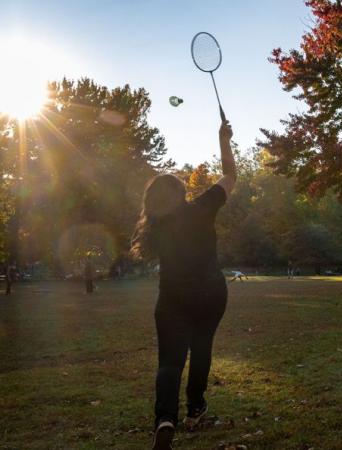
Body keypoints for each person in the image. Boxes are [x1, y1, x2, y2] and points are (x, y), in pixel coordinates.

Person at [130, 119, 237, 450]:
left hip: (173, 298)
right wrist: (223, 140)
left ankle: (165, 418)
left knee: (170, 362)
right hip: (210, 292)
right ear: (181, 193)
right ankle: (195, 409)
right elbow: (230, 175)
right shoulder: (202, 209)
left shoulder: (155, 228)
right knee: (201, 349)